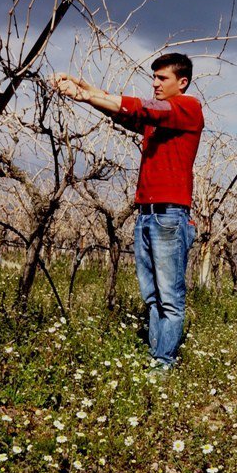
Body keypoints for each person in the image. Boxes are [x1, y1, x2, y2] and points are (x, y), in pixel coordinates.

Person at [50, 53, 204, 369]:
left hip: (169, 216)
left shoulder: (188, 108)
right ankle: (156, 359)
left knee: (170, 299)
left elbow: (143, 107)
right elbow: (124, 114)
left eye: (163, 78)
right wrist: (85, 93)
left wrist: (90, 94)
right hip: (147, 214)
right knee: (152, 296)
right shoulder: (159, 122)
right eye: (154, 77)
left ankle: (164, 364)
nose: (155, 83)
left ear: (182, 82)